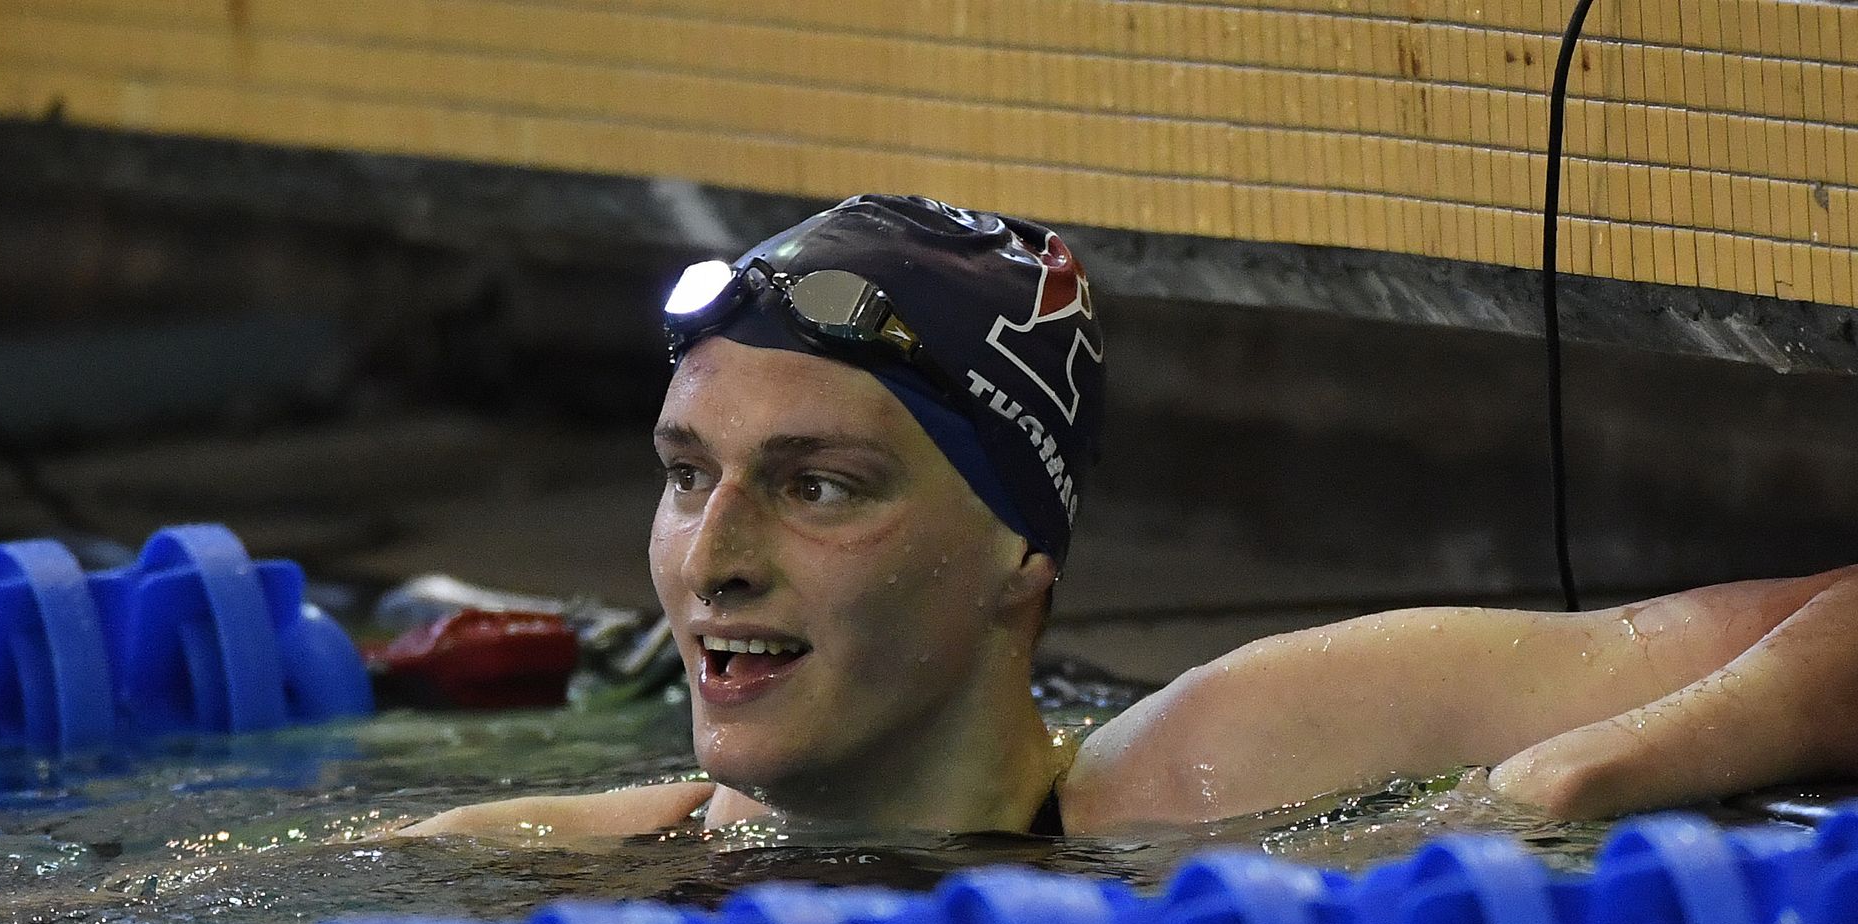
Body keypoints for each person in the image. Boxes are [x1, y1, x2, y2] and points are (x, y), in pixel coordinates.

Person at [404, 194, 1858, 840]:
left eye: (816, 486)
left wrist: (1578, 776)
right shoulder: (555, 864)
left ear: (1018, 552)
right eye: (683, 474)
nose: (712, 560)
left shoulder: (1230, 762)